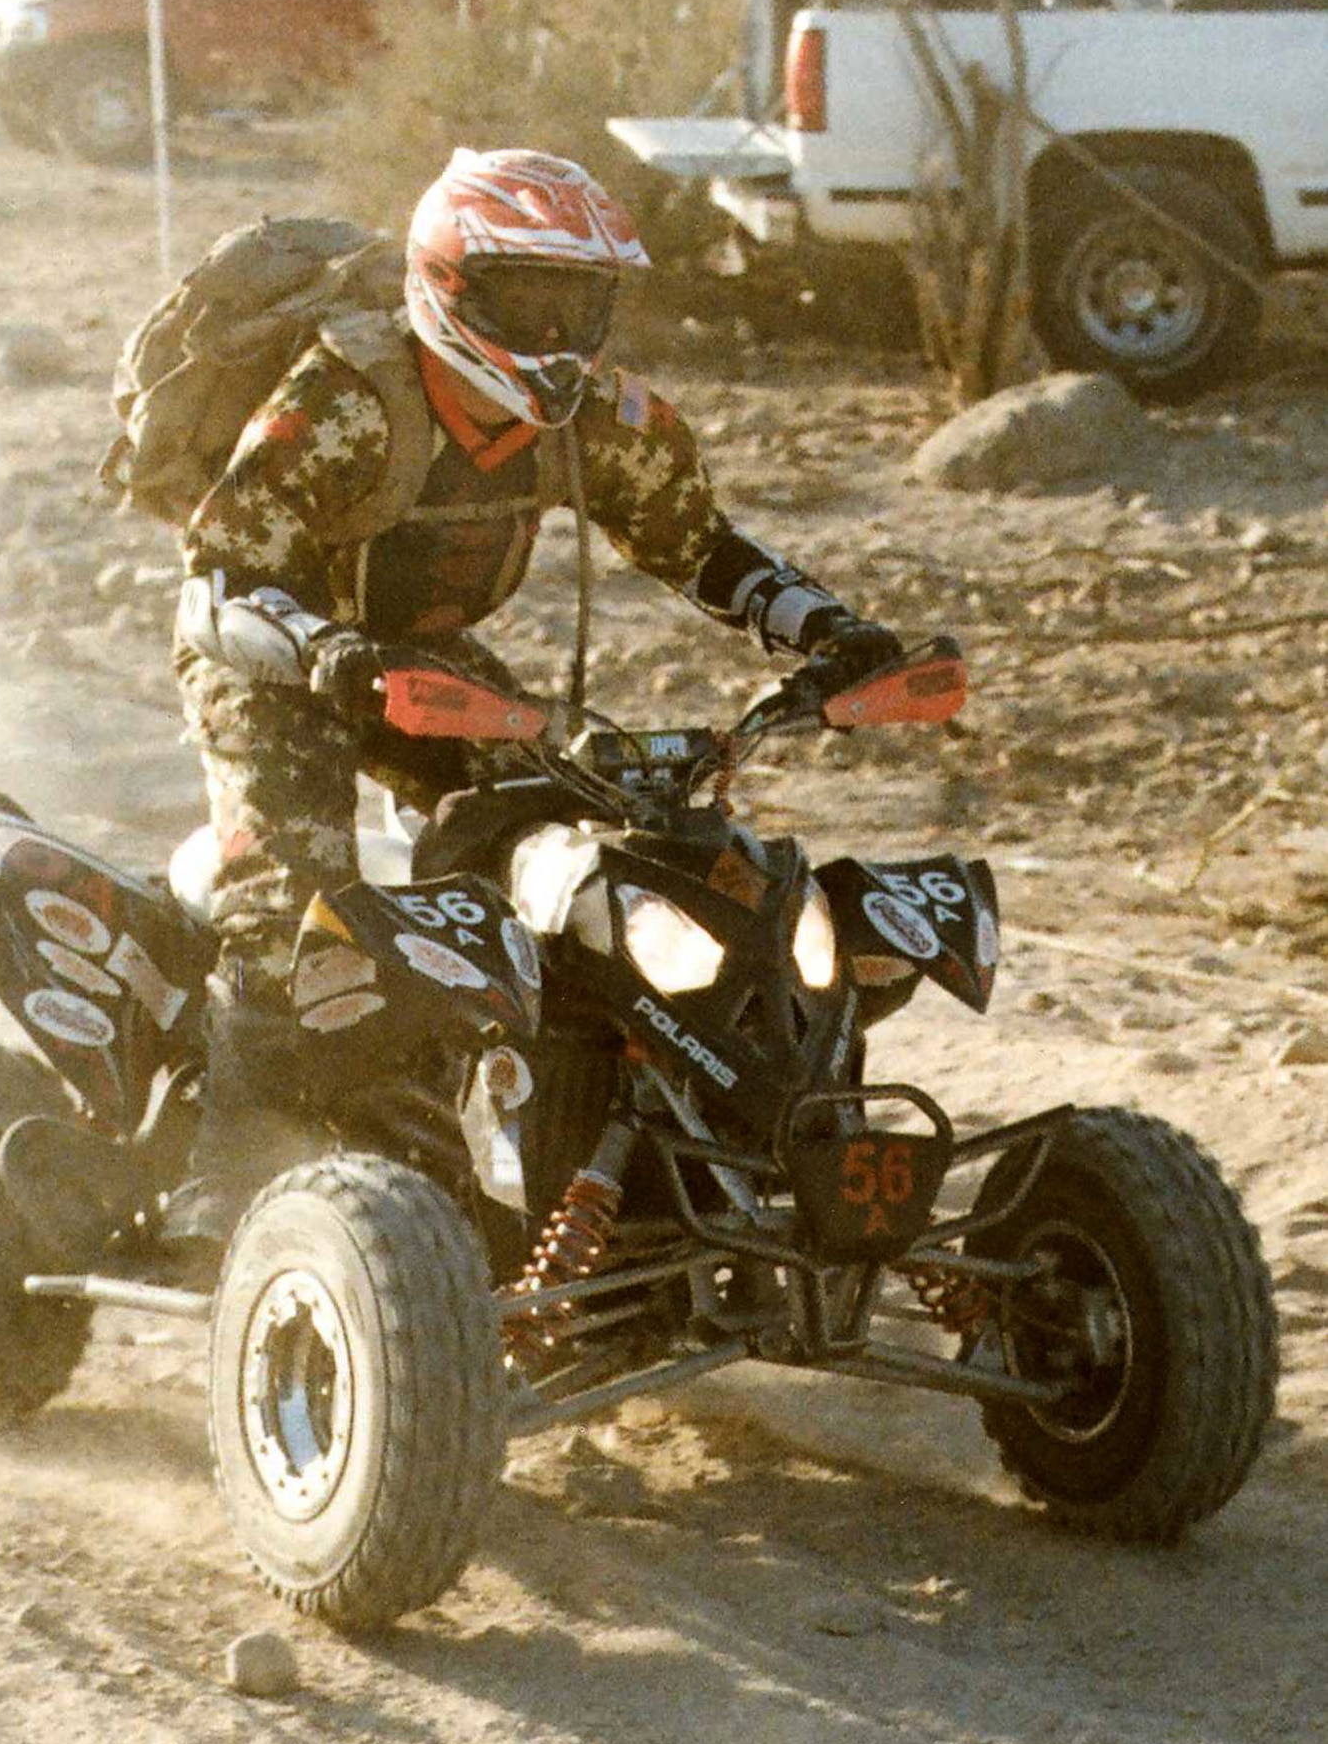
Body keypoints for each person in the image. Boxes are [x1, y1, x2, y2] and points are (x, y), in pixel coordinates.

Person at [169, 147, 907, 1241]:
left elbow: (699, 547)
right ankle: (228, 1176)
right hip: (275, 661)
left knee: (578, 856)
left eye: (582, 299)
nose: (558, 330)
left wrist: (828, 630)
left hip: (426, 658)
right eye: (531, 296)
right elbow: (215, 582)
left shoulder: (601, 418)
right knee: (286, 899)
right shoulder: (348, 398)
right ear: (452, 286)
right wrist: (328, 654)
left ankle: (523, 1114)